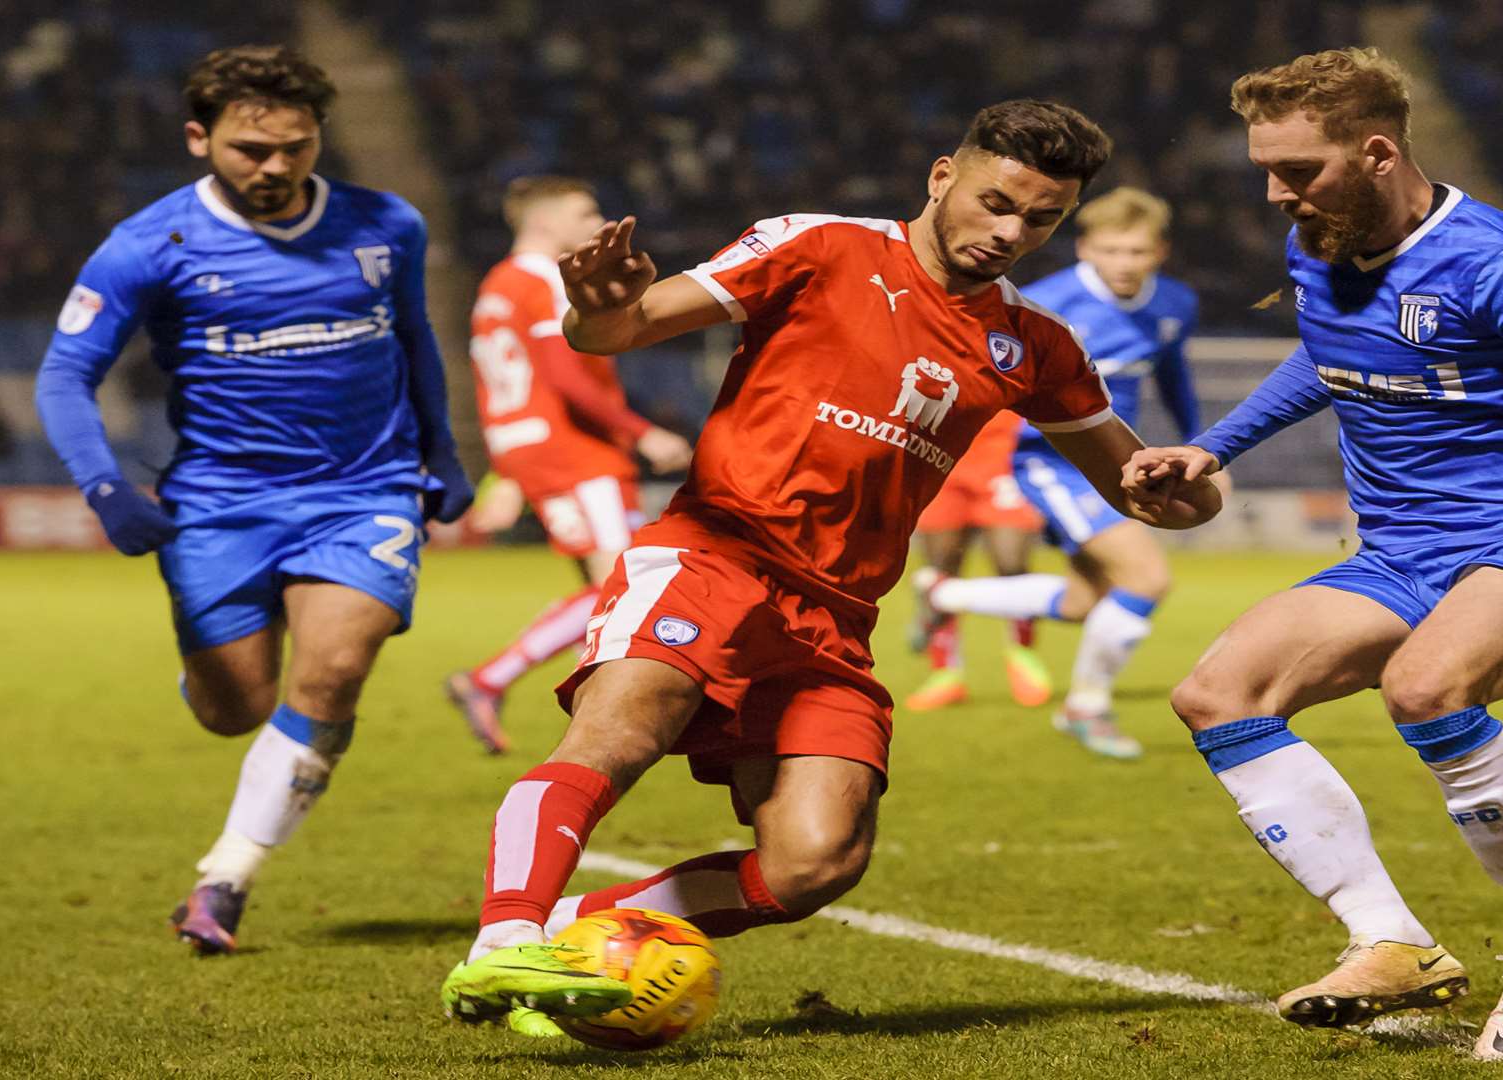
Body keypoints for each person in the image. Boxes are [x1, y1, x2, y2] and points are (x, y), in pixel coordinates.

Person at [437, 99, 1221, 1036]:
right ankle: (502, 942)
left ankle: (574, 931)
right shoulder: (822, 246)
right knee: (620, 732)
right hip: (714, 554)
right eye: (996, 202)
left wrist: (1183, 486)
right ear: (942, 177)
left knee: (816, 861)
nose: (1011, 232)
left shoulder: (1035, 344)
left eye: (1041, 218)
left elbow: (1149, 488)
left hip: (836, 616)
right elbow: (617, 330)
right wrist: (602, 305)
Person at [1123, 49, 1503, 1059]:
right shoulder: (1321, 243)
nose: (1276, 194)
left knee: (1426, 687)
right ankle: (1392, 942)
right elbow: (1325, 355)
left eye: (1297, 171)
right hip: (1398, 549)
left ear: (1376, 151)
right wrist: (1213, 446)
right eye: (1265, 171)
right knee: (1218, 693)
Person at [33, 45, 472, 955]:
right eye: (249, 150)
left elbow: (415, 340)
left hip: (364, 492)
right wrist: (107, 488)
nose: (274, 168)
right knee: (232, 708)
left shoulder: (386, 224)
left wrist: (442, 451)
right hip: (222, 504)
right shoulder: (149, 243)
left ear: (318, 137)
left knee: (336, 670)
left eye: (296, 147)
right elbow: (65, 375)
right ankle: (214, 671)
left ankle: (224, 880)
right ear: (200, 139)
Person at [915, 186, 1200, 759]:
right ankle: (1085, 708)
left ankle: (950, 594)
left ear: (1159, 252)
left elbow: (1173, 378)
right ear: (1086, 249)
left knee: (1086, 602)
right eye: (1112, 250)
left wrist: (1200, 448)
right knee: (1145, 579)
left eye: (1137, 252)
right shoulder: (1042, 304)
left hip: (1117, 461)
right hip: (1049, 462)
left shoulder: (1174, 304)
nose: (1124, 263)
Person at [445, 176, 692, 753]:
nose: (595, 223)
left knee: (612, 587)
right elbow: (562, 373)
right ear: (544, 222)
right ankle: (493, 679)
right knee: (623, 582)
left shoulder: (496, 285)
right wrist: (641, 431)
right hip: (573, 451)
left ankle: (588, 702)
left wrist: (506, 469)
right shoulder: (542, 280)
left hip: (529, 445)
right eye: (584, 213)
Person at [903, 408, 1053, 712]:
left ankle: (1023, 657)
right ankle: (945, 674)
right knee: (940, 570)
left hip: (1003, 455)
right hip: (940, 453)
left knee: (1011, 564)